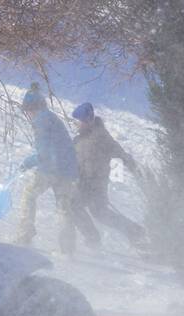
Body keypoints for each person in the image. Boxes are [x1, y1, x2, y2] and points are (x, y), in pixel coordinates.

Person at [12, 84, 90, 254]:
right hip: (68, 170)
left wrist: (28, 162)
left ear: (33, 108)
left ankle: (25, 234)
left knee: (28, 194)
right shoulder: (52, 118)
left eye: (28, 110)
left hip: (51, 169)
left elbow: (44, 152)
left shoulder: (40, 120)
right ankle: (68, 248)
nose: (28, 114)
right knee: (64, 207)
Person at [70, 102, 146, 248]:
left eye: (78, 121)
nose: (76, 125)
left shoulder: (101, 137)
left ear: (88, 121)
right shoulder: (79, 139)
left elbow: (118, 151)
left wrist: (133, 166)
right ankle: (134, 231)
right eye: (75, 121)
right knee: (100, 213)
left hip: (94, 184)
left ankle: (93, 239)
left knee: (75, 206)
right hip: (85, 182)